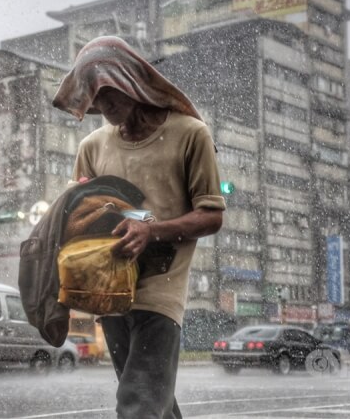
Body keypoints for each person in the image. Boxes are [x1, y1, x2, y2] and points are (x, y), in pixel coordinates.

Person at [53, 36, 226, 419]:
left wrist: (152, 231)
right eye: (94, 97)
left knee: (140, 403)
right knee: (152, 403)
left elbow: (212, 215)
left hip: (160, 293)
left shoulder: (190, 134)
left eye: (109, 90)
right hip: (107, 290)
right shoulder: (92, 147)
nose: (103, 104)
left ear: (130, 78)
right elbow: (78, 216)